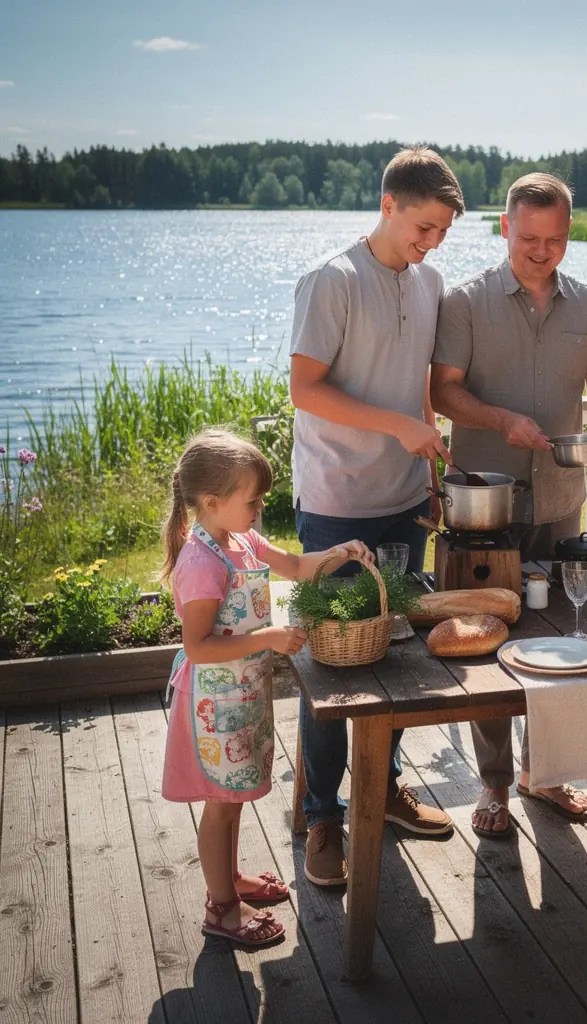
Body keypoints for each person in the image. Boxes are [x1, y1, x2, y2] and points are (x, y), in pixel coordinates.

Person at [431, 172, 587, 839]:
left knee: (562, 639)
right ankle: (492, 784)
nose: (542, 252)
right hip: (482, 508)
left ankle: (544, 772)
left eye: (556, 240)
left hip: (560, 501)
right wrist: (500, 420)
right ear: (505, 227)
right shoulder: (465, 302)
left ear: (569, 234)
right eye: (529, 238)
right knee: (483, 644)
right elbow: (442, 392)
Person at [289, 147, 464, 886]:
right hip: (337, 504)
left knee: (394, 657)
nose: (432, 243)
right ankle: (321, 818)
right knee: (335, 664)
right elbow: (305, 390)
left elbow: (417, 387)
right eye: (423, 227)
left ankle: (383, 789)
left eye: (443, 232)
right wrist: (397, 427)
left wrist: (428, 472)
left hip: (404, 500)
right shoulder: (331, 279)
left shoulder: (430, 283)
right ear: (388, 205)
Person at [160, 428, 374, 946]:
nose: (259, 510)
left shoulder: (242, 540)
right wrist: (270, 638)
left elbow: (297, 567)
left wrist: (339, 553)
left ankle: (229, 879)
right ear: (212, 502)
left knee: (232, 797)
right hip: (214, 705)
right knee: (220, 806)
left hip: (242, 697)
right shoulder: (202, 563)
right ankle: (221, 909)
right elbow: (198, 647)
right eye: (252, 501)